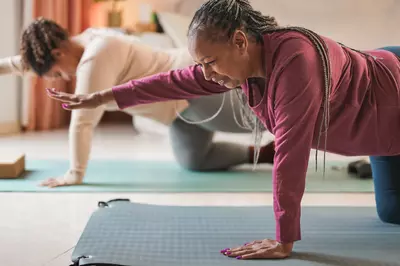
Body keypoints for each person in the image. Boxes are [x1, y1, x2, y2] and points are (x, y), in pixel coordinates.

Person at [46, 0, 400, 260]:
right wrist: (102, 97)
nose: (207, 73)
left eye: (210, 62)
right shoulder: (245, 65)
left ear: (241, 42)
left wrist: (284, 239)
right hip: (375, 117)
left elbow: (290, 156)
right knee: (392, 215)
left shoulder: (296, 63)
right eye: (202, 63)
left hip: (392, 96)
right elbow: (175, 81)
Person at [2, 17, 276, 188]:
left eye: (57, 72)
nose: (63, 77)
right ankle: (262, 154)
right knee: (195, 159)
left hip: (191, 89)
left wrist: (74, 174)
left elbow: (82, 121)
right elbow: (22, 63)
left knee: (263, 119)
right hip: (176, 114)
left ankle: (300, 120)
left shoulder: (96, 55)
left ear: (58, 52)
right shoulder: (85, 40)